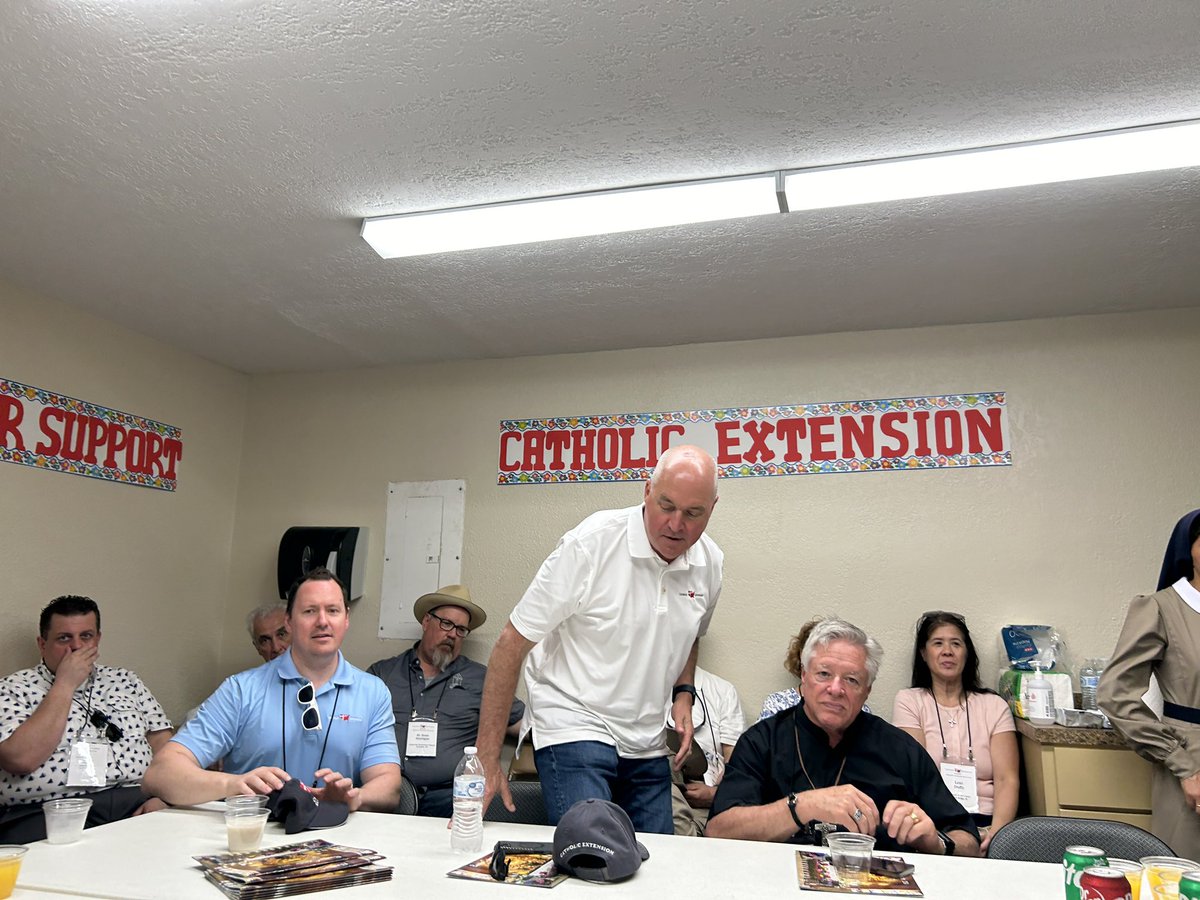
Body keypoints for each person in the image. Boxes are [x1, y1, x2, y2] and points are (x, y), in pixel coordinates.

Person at [476, 444, 723, 834]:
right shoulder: (590, 544)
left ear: (712, 508)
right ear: (646, 491)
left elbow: (691, 633)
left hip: (645, 738)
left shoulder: (710, 563)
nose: (676, 524)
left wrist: (683, 695)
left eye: (693, 514)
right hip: (574, 721)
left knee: (660, 863)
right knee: (595, 852)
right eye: (666, 505)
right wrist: (487, 760)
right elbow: (511, 643)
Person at [706, 618, 980, 856]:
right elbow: (718, 830)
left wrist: (937, 842)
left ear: (867, 690)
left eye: (851, 679)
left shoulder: (900, 748)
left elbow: (969, 842)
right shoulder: (763, 740)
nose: (835, 689)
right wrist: (801, 806)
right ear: (803, 677)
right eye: (824, 674)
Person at [143, 568, 401, 812]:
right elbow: (161, 774)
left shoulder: (373, 692)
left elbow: (388, 786)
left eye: (332, 610)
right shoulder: (241, 690)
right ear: (289, 622)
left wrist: (354, 798)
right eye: (309, 611)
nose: (322, 621)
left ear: (346, 619)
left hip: (336, 834)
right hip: (255, 836)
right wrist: (232, 785)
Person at [0, 595, 174, 842]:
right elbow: (19, 759)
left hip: (135, 800)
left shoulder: (126, 681)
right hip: (46, 811)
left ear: (98, 639)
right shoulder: (13, 688)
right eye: (64, 638)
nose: (76, 647)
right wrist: (65, 683)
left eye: (86, 636)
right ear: (42, 644)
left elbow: (167, 750)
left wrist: (164, 797)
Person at [367, 584, 524, 817]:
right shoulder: (383, 674)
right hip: (390, 799)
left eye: (461, 629)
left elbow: (526, 725)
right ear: (426, 621)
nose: (452, 634)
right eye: (447, 623)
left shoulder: (481, 679)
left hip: (453, 800)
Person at [1099, 509, 1200, 859]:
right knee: (1186, 880)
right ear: (1191, 547)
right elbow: (1115, 694)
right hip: (1193, 761)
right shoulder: (1161, 609)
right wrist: (1180, 761)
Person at [892, 611, 1017, 852]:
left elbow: (1007, 779)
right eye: (938, 643)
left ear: (966, 653)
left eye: (956, 644)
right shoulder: (910, 701)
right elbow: (913, 776)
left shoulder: (994, 705)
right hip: (935, 823)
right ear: (924, 654)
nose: (947, 651)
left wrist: (998, 836)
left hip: (987, 822)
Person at [669, 665, 744, 836]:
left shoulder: (721, 690)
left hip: (702, 798)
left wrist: (716, 794)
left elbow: (737, 764)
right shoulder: (640, 688)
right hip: (656, 787)